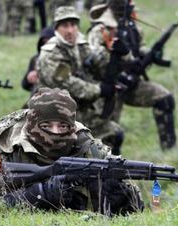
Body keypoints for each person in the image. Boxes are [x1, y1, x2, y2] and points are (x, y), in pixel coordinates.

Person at [0, 87, 144, 215]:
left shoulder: (93, 151)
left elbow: (138, 207)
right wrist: (36, 195)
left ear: (73, 126)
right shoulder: (6, 154)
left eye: (63, 126)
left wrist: (124, 199)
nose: (55, 132)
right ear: (31, 126)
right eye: (46, 126)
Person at [87, 0, 177, 150]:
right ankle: (108, 169)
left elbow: (139, 47)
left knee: (165, 99)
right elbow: (93, 57)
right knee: (109, 134)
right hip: (109, 88)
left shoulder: (132, 25)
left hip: (132, 83)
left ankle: (170, 150)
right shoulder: (101, 29)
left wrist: (151, 54)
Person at [35, 6, 124, 155]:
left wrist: (115, 54)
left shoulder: (81, 45)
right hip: (56, 118)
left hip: (81, 112)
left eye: (73, 25)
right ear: (57, 28)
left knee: (114, 134)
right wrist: (99, 90)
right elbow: (66, 84)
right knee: (76, 154)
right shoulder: (50, 53)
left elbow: (97, 64)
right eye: (65, 25)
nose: (70, 30)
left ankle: (109, 173)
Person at [21, 26, 55, 94]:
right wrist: (28, 79)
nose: (47, 44)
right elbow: (25, 85)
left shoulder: (63, 59)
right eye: (44, 42)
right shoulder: (35, 59)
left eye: (50, 42)